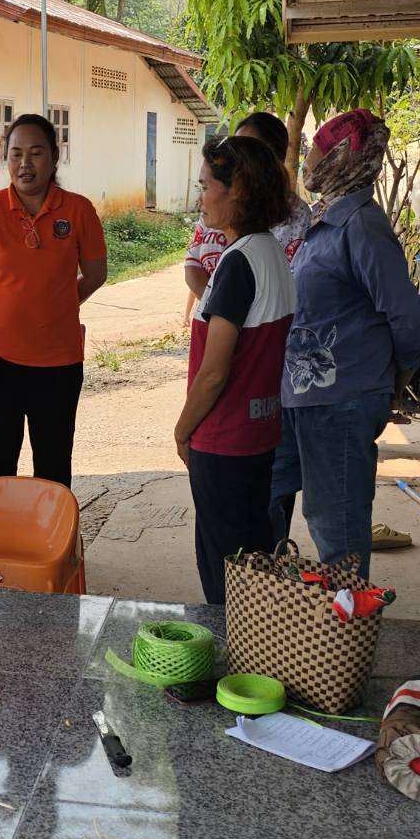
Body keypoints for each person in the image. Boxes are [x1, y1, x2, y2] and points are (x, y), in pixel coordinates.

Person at [269, 109, 420, 578]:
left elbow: (406, 316)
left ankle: (345, 633)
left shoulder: (360, 225)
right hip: (299, 396)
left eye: (317, 152)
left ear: (343, 157)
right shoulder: (324, 220)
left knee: (335, 525)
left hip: (341, 400)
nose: (308, 163)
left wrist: (395, 380)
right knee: (268, 495)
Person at [0, 113, 108, 488]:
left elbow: (96, 275)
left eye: (35, 153)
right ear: (5, 158)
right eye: (15, 154)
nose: (24, 164)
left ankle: (53, 547)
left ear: (54, 157)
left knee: (53, 466)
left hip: (59, 362)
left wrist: (58, 303)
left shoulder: (78, 211)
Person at [173, 136, 295, 603]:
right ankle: (258, 653)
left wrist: (183, 430)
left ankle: (236, 665)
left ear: (237, 190)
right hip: (259, 432)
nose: (200, 197)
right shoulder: (271, 254)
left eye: (206, 186)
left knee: (225, 572)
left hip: (224, 439)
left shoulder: (239, 263)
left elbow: (213, 373)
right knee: (252, 561)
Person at [181, 112, 311, 321]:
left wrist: (226, 319)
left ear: (271, 160)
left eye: (249, 149)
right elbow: (193, 266)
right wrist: (219, 314)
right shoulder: (216, 208)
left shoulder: (289, 220)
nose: (237, 158)